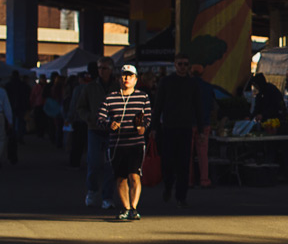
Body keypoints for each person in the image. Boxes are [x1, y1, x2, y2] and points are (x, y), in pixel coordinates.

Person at [98, 65, 152, 221]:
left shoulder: (143, 97)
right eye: (124, 76)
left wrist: (142, 127)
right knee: (120, 177)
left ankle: (134, 208)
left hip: (135, 143)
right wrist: (110, 124)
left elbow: (148, 117)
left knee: (134, 175)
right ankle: (126, 208)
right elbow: (100, 118)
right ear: (118, 78)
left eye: (130, 76)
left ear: (136, 79)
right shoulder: (110, 98)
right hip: (117, 144)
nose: (126, 78)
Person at [152, 53, 201, 207]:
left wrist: (200, 128)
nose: (182, 67)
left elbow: (198, 107)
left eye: (185, 64)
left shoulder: (193, 83)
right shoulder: (166, 82)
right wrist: (153, 127)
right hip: (168, 128)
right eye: (180, 64)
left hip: (185, 128)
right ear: (175, 65)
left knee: (184, 164)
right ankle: (167, 186)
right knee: (167, 162)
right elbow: (158, 105)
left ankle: (181, 196)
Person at [75, 57, 118, 209]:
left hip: (113, 130)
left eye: (104, 68)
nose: (101, 71)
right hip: (95, 129)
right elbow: (80, 107)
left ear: (111, 69)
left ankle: (107, 196)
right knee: (93, 163)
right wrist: (90, 118)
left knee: (110, 165)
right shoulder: (90, 87)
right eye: (99, 68)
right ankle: (92, 191)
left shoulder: (118, 87)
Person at [190, 66, 215, 187]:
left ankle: (189, 180)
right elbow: (212, 106)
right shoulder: (208, 87)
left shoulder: (187, 86)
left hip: (189, 123)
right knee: (203, 154)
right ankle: (204, 179)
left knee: (187, 154)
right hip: (204, 123)